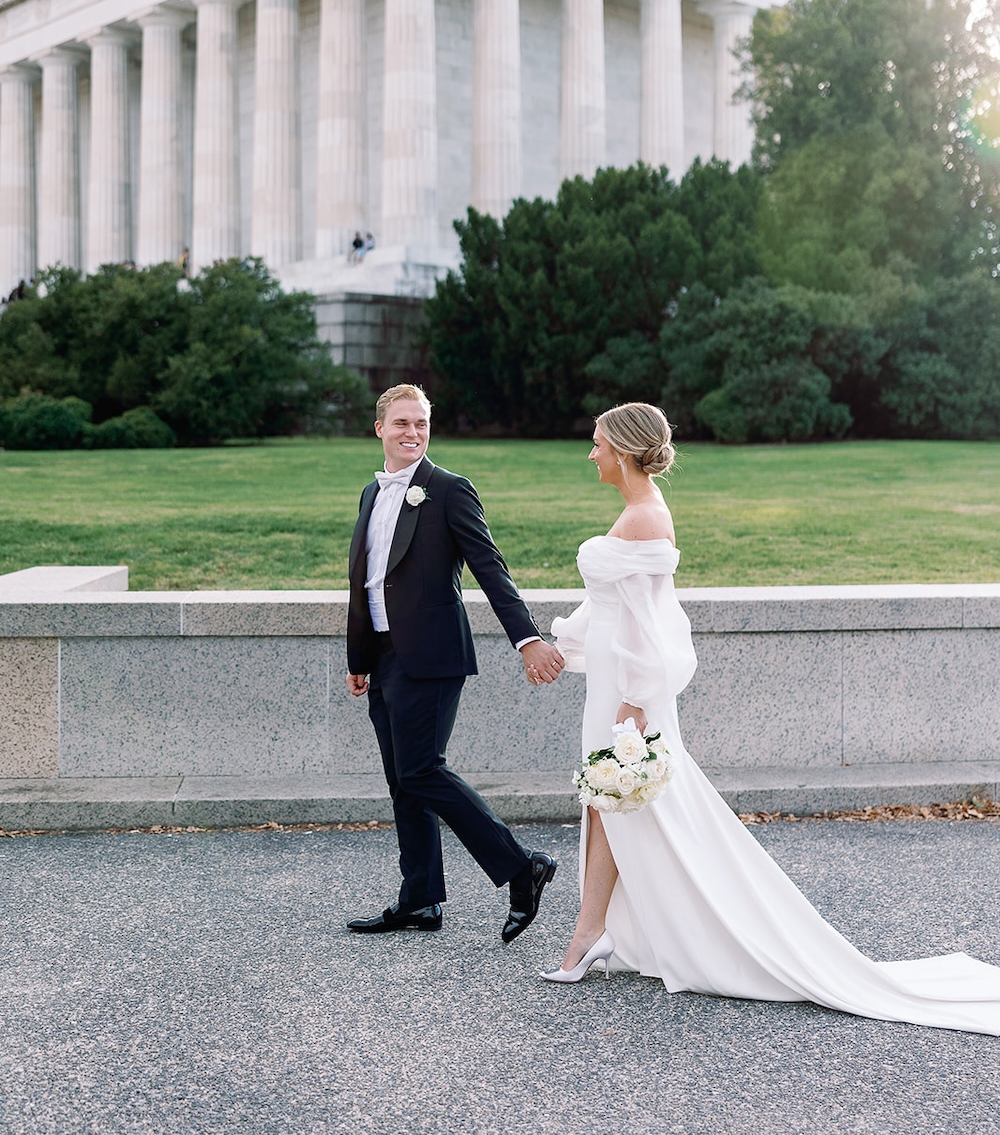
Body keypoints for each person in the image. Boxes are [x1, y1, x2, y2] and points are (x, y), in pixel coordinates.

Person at [542, 401, 1000, 1035]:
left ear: (622, 450)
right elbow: (610, 608)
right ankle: (594, 932)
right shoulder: (633, 513)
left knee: (623, 804)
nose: (589, 455)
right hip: (615, 686)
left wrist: (634, 704)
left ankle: (597, 935)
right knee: (605, 804)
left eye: (595, 444)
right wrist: (560, 651)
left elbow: (656, 630)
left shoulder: (646, 519)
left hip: (630, 692)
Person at [346, 383, 562, 941]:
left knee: (422, 770)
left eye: (420, 423)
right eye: (401, 423)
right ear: (380, 429)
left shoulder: (448, 490)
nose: (412, 432)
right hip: (385, 656)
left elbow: (492, 570)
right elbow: (367, 582)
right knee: (403, 781)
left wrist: (528, 639)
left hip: (432, 656)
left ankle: (521, 865)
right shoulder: (372, 495)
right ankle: (419, 900)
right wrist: (360, 656)